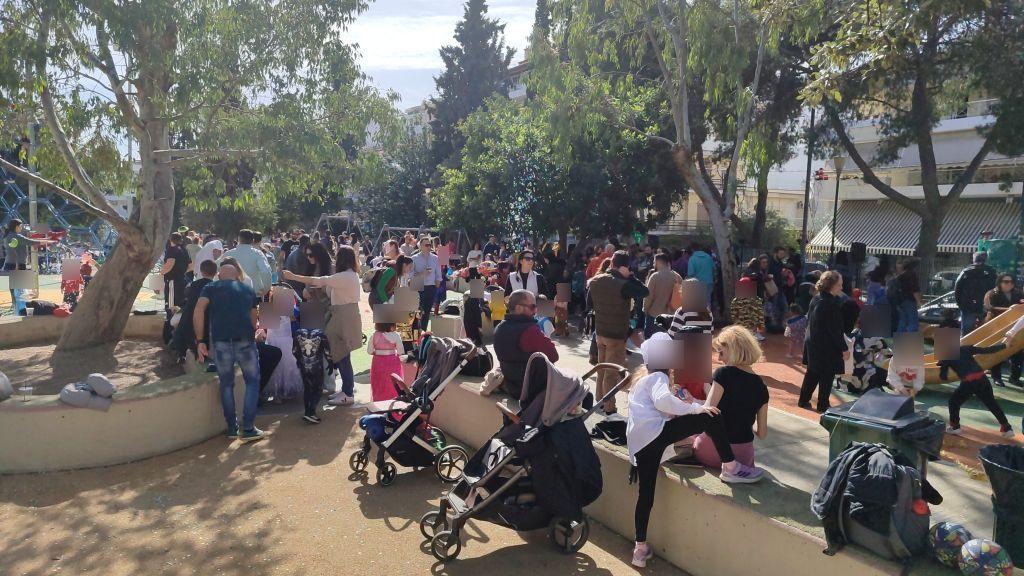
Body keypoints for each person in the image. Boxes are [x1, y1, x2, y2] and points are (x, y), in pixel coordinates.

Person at [627, 333, 763, 568]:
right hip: (656, 436)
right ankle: (730, 466)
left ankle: (639, 549)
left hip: (642, 446)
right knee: (711, 417)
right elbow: (663, 402)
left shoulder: (643, 381)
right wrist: (696, 410)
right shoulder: (658, 377)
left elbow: (643, 418)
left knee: (645, 496)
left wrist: (634, 460)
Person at [282, 245, 362, 406]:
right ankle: (346, 390)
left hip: (343, 316)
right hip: (342, 315)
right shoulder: (348, 275)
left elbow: (317, 280)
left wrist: (293, 276)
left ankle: (347, 392)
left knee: (342, 355)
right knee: (342, 355)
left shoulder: (344, 276)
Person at [193, 264, 265, 443]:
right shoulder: (247, 289)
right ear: (238, 275)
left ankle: (232, 427)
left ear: (219, 275)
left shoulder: (210, 287)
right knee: (252, 382)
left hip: (221, 341)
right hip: (245, 341)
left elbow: (199, 310)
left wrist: (200, 340)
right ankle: (248, 428)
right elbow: (254, 319)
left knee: (226, 384)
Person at [693, 326, 769, 468]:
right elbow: (762, 433)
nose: (719, 358)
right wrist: (743, 423)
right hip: (743, 456)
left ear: (733, 349)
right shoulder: (762, 387)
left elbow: (706, 413)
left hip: (713, 451)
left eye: (721, 352)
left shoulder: (723, 373)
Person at [589, 251, 650, 416]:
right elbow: (644, 291)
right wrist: (631, 277)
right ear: (625, 267)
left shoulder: (595, 280)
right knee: (611, 373)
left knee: (601, 369)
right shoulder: (623, 284)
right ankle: (610, 408)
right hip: (616, 335)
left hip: (600, 332)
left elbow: (589, 304)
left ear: (611, 263)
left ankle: (600, 400)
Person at [940, 341, 1015, 439]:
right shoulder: (965, 348)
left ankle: (955, 427)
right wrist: (1004, 345)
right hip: (982, 378)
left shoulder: (946, 357)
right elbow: (987, 350)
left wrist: (943, 365)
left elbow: (943, 377)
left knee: (953, 402)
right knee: (991, 403)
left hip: (969, 382)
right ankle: (1007, 428)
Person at [492, 289, 559, 400]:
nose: (535, 311)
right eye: (532, 307)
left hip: (512, 387)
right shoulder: (529, 330)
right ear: (518, 308)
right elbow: (554, 355)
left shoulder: (499, 328)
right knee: (581, 391)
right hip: (533, 390)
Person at [798, 271, 849, 412]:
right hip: (826, 346)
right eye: (839, 285)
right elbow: (835, 330)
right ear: (831, 286)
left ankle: (803, 400)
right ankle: (823, 404)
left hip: (813, 341)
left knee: (812, 372)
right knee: (827, 375)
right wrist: (844, 348)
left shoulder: (816, 298)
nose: (841, 287)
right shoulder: (831, 304)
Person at [171, 259, 218, 359]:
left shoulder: (193, 285)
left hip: (189, 317)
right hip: (206, 320)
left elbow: (186, 297)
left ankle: (181, 354)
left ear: (201, 271)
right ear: (215, 272)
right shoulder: (215, 287)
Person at [264, 286, 302, 402]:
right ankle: (283, 392)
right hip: (284, 342)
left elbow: (266, 328)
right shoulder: (288, 311)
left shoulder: (268, 309)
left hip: (276, 341)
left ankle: (278, 394)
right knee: (285, 367)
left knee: (279, 368)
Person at [985, 274, 1024, 386]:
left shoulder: (1018, 293)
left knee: (1017, 353)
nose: (1009, 284)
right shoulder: (992, 293)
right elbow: (990, 308)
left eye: (1011, 282)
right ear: (999, 282)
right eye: (1006, 282)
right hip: (997, 326)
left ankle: (1014, 378)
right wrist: (1009, 310)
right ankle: (997, 377)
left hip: (1014, 326)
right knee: (998, 352)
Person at [954, 252, 998, 336]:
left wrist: (961, 304)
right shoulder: (991, 272)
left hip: (968, 306)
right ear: (986, 259)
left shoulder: (966, 272)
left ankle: (965, 344)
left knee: (966, 333)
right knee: (987, 331)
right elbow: (996, 288)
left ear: (974, 259)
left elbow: (957, 289)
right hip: (985, 306)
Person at [221, 229, 273, 298]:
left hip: (230, 294)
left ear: (238, 239)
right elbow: (266, 271)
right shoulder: (258, 254)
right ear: (253, 241)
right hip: (253, 293)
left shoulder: (228, 254)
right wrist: (265, 289)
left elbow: (217, 271)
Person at [161, 232, 191, 341]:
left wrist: (162, 272)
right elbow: (190, 266)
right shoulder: (184, 250)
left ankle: (170, 335)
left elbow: (170, 263)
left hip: (172, 282)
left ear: (171, 240)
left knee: (171, 306)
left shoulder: (172, 250)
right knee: (180, 306)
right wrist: (181, 272)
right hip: (182, 281)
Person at [643, 253, 682, 337]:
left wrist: (645, 310)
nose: (653, 264)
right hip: (672, 315)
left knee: (651, 340)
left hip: (654, 315)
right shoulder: (677, 276)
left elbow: (648, 296)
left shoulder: (655, 276)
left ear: (658, 262)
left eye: (654, 262)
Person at [367, 322, 404, 402]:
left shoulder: (374, 335)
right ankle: (393, 401)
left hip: (378, 362)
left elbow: (369, 351)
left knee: (378, 383)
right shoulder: (396, 335)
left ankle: (379, 402)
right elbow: (400, 351)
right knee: (393, 383)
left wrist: (377, 352)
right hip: (393, 362)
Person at [411, 236, 441, 330]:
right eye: (426, 245)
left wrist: (438, 281)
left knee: (427, 312)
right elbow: (410, 274)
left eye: (430, 245)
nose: (429, 247)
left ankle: (423, 332)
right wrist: (422, 274)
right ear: (420, 246)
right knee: (417, 311)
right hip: (418, 285)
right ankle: (416, 331)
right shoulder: (414, 258)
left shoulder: (435, 258)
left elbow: (438, 271)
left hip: (431, 287)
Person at [895, 258, 922, 333]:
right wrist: (919, 302)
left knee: (902, 322)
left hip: (900, 301)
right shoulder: (912, 275)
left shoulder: (900, 276)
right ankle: (910, 339)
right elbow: (914, 289)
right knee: (913, 323)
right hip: (910, 300)